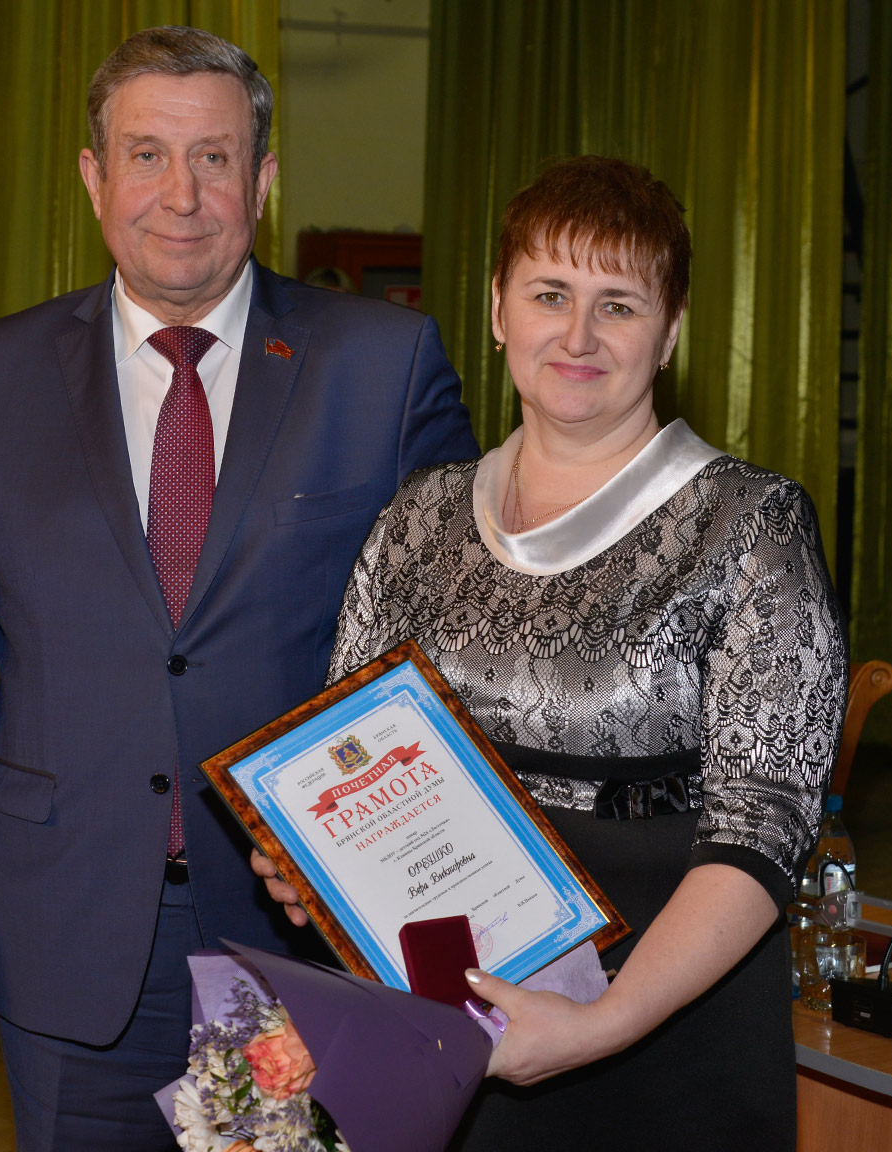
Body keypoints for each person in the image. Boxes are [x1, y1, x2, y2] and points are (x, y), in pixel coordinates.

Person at [0, 25, 477, 1152]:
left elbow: (459, 658)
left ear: (264, 178)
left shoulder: (382, 367)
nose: (182, 195)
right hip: (69, 942)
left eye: (214, 158)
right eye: (147, 155)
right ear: (94, 176)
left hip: (301, 945)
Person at [256, 155, 846, 1149]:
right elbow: (346, 748)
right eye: (549, 294)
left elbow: (766, 824)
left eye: (618, 305)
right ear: (498, 308)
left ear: (670, 330)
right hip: (440, 1023)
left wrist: (601, 1023)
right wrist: (309, 858)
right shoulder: (418, 517)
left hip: (658, 1037)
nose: (578, 336)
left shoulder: (750, 525)